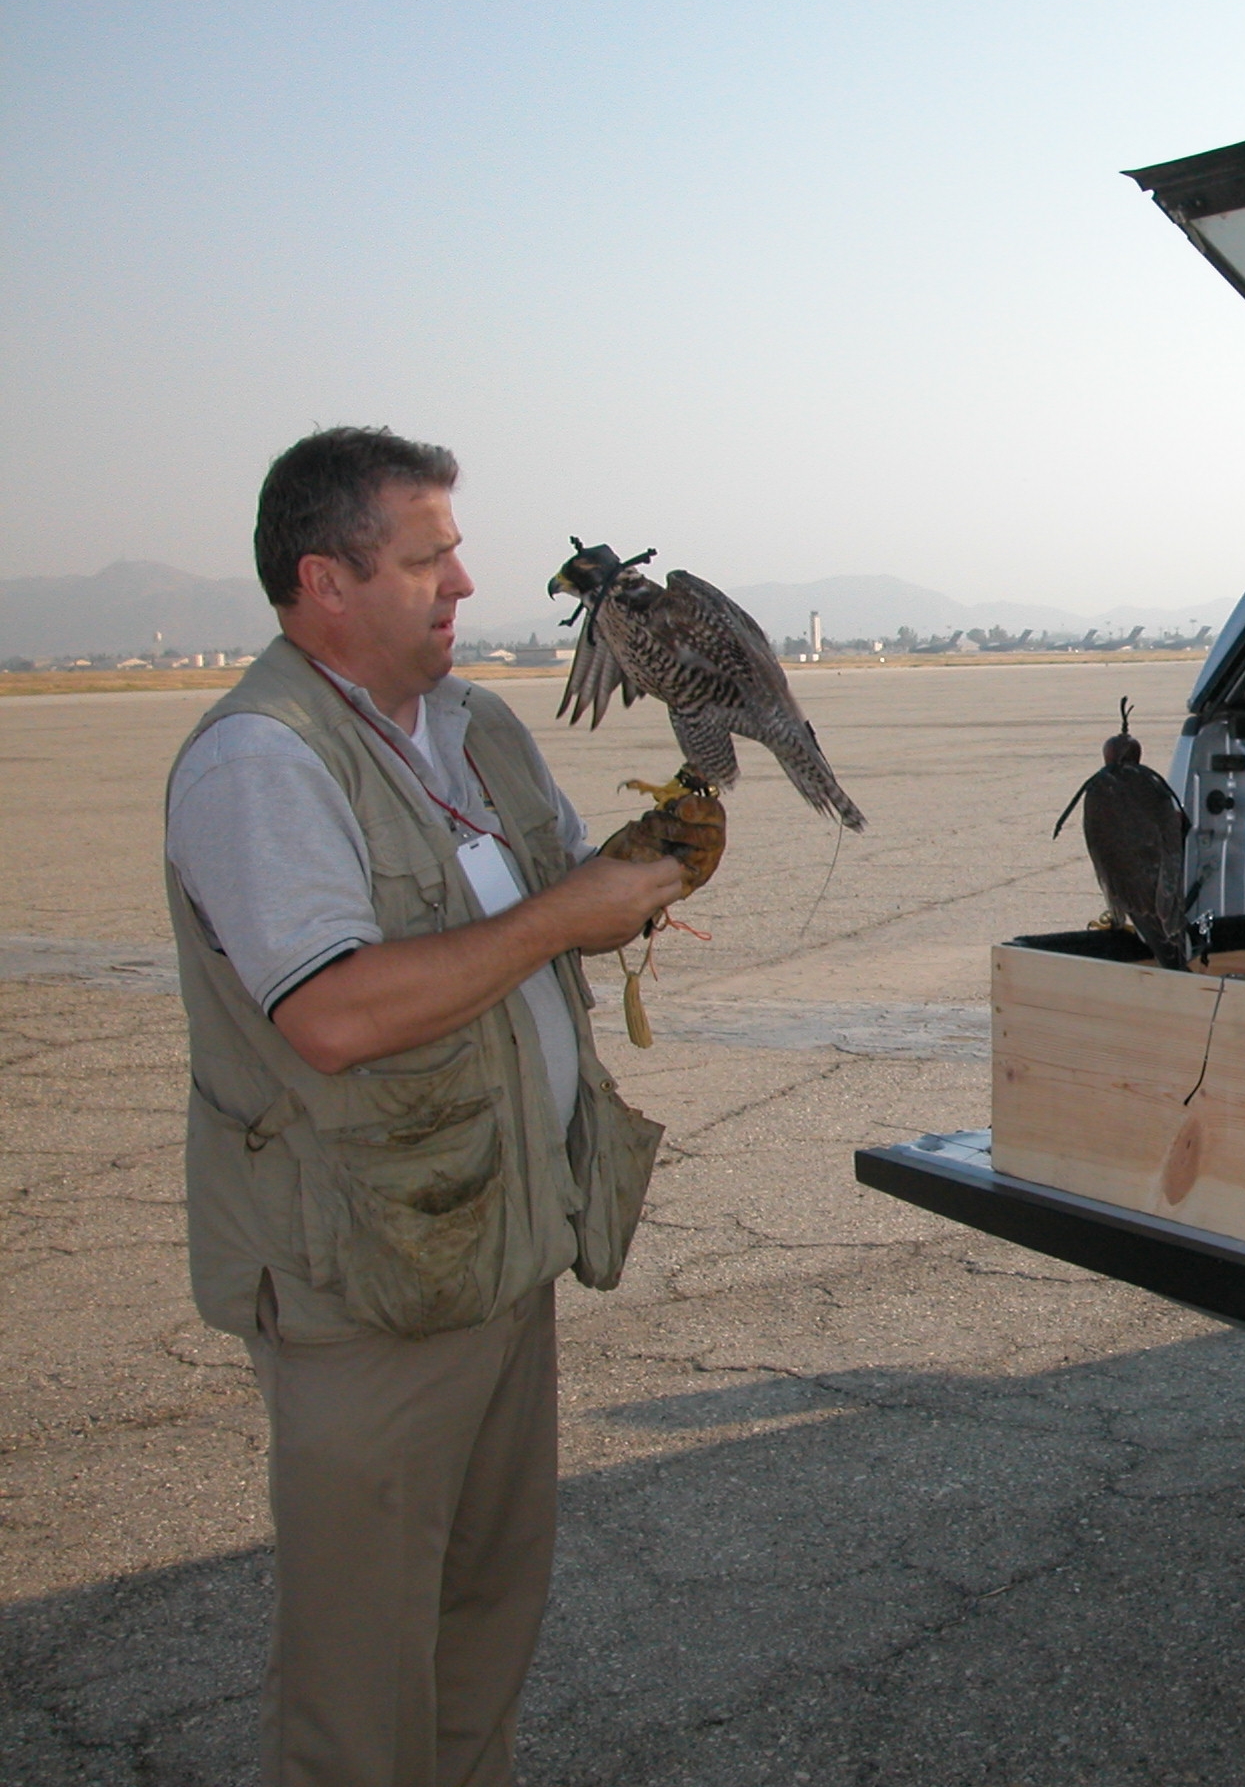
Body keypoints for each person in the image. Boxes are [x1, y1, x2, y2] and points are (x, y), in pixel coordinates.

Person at [164, 426, 719, 1787]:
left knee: (481, 1639)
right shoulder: (263, 760)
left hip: (496, 1248)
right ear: (324, 584)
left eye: (456, 553)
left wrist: (640, 873)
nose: (463, 585)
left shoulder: (474, 728)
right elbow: (338, 1013)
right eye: (426, 561)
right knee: (363, 1694)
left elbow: (533, 915)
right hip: (364, 1286)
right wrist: (566, 913)